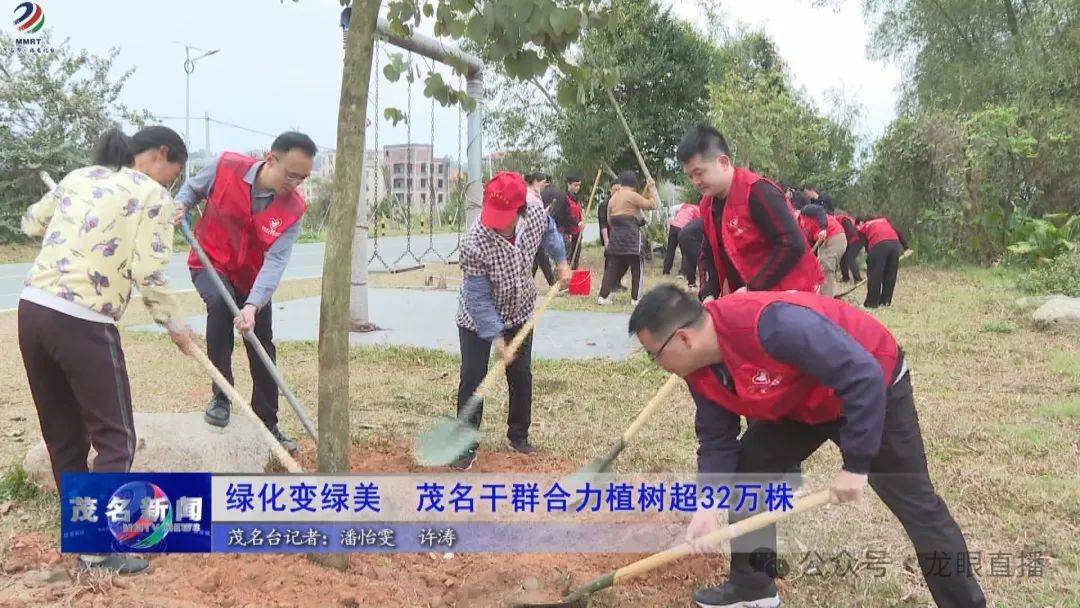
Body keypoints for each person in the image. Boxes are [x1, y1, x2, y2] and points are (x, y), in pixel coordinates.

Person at [629, 285, 987, 608]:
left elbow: (861, 375)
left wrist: (856, 464)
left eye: (653, 354)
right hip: (797, 399)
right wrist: (708, 505)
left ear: (683, 339)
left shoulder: (771, 324)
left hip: (870, 386)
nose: (657, 365)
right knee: (750, 472)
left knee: (918, 506)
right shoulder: (699, 368)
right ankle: (753, 586)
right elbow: (716, 437)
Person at [19, 126, 198, 575]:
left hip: (33, 311)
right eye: (173, 175)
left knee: (64, 437)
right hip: (84, 321)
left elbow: (30, 223)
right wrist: (177, 327)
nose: (170, 185)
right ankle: (99, 549)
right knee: (116, 437)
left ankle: (86, 544)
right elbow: (150, 274)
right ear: (161, 155)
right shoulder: (152, 197)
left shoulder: (80, 177)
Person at [174, 131, 317, 453]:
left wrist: (253, 305)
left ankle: (268, 422)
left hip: (252, 278)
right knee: (220, 309)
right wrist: (180, 205)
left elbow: (277, 260)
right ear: (270, 158)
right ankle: (221, 396)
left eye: (303, 177)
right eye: (291, 174)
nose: (295, 182)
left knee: (261, 343)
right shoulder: (226, 166)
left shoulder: (293, 209)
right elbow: (192, 189)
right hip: (210, 261)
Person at [454, 171, 570, 469]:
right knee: (473, 377)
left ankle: (518, 435)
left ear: (520, 212)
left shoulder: (533, 212)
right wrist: (497, 339)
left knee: (521, 375)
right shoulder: (474, 242)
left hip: (519, 311)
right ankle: (465, 445)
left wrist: (561, 262)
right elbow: (478, 300)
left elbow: (551, 233)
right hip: (476, 321)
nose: (493, 222)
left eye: (502, 216)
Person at [677, 125, 823, 300]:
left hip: (787, 296)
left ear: (723, 162)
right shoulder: (707, 204)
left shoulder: (758, 192)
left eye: (699, 173)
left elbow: (791, 244)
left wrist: (754, 287)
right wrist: (708, 292)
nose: (695, 182)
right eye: (690, 176)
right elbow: (708, 253)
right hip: (747, 298)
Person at [597, 171, 656, 306]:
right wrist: (651, 190)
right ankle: (636, 298)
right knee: (637, 266)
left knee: (612, 267)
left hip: (616, 235)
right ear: (634, 184)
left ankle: (603, 296)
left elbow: (609, 220)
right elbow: (651, 205)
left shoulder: (613, 198)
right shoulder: (632, 195)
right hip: (631, 234)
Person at [857, 216, 909, 308]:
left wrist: (871, 260)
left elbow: (866, 244)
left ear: (862, 222)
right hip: (895, 244)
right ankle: (885, 302)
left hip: (879, 244)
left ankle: (871, 303)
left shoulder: (863, 227)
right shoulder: (884, 221)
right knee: (890, 274)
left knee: (874, 275)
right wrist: (906, 247)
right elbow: (897, 232)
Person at [797, 203, 847, 296]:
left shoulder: (805, 210)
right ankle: (821, 295)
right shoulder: (799, 228)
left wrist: (823, 228)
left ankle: (826, 300)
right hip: (823, 242)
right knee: (820, 269)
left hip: (833, 236)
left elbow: (820, 210)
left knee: (826, 269)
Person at [526, 173, 557, 286]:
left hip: (536, 234)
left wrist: (546, 211)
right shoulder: (530, 197)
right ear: (535, 182)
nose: (545, 185)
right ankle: (551, 283)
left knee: (538, 259)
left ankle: (529, 283)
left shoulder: (534, 195)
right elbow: (532, 216)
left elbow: (538, 214)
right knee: (539, 258)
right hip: (531, 234)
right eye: (543, 182)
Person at [663, 201, 701, 277]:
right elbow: (697, 224)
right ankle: (682, 273)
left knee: (670, 249)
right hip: (683, 228)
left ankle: (666, 271)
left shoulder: (684, 205)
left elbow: (675, 212)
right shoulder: (699, 210)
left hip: (674, 225)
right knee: (686, 251)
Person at [833, 210, 863, 283]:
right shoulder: (844, 219)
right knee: (843, 258)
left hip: (857, 240)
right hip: (851, 241)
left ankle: (858, 279)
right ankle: (845, 278)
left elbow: (851, 232)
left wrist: (841, 236)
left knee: (850, 258)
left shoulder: (842, 219)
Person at [677, 216, 704, 288]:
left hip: (681, 234)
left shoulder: (700, 219)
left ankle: (691, 282)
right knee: (701, 258)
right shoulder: (708, 221)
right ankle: (703, 283)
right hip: (690, 236)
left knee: (689, 258)